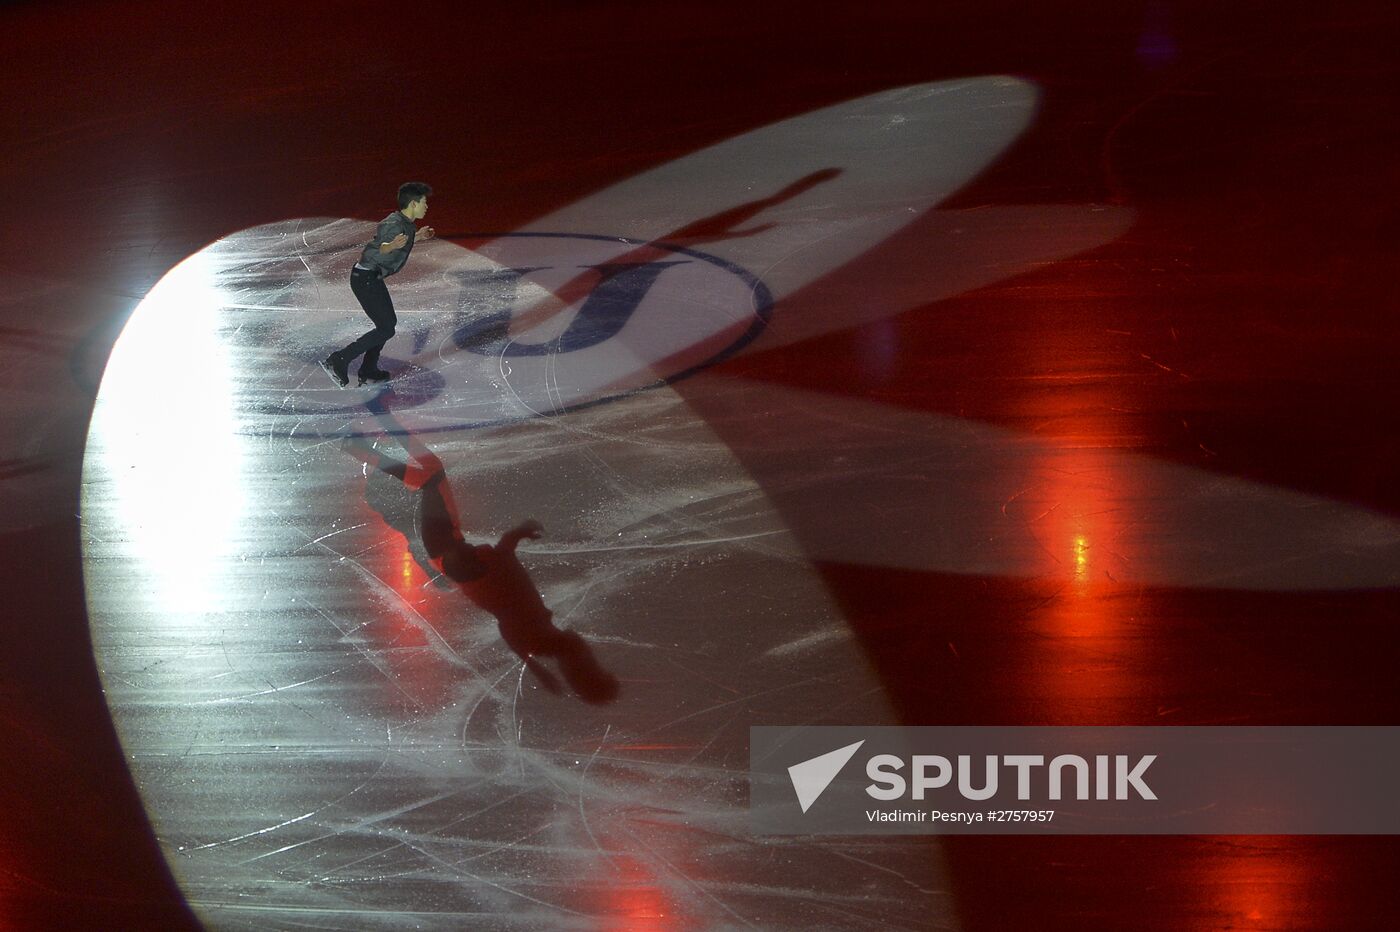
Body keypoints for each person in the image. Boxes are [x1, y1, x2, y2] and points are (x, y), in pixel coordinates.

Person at [321, 182, 435, 387]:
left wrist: (417, 237)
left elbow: (400, 241)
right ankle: (339, 359)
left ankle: (369, 368)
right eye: (424, 202)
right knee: (386, 328)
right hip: (364, 279)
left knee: (386, 325)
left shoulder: (406, 223)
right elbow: (377, 249)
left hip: (371, 278)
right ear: (413, 203)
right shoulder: (393, 224)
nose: (426, 206)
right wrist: (390, 246)